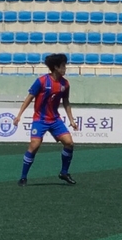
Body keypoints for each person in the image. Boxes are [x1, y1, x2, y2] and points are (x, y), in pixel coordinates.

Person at [13, 52, 78, 187]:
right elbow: (29, 98)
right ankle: (23, 177)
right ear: (55, 67)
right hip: (40, 119)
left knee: (69, 143)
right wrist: (19, 115)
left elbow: (66, 101)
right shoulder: (42, 81)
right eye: (63, 66)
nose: (65, 69)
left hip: (55, 119)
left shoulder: (65, 84)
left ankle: (64, 172)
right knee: (34, 145)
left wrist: (71, 119)